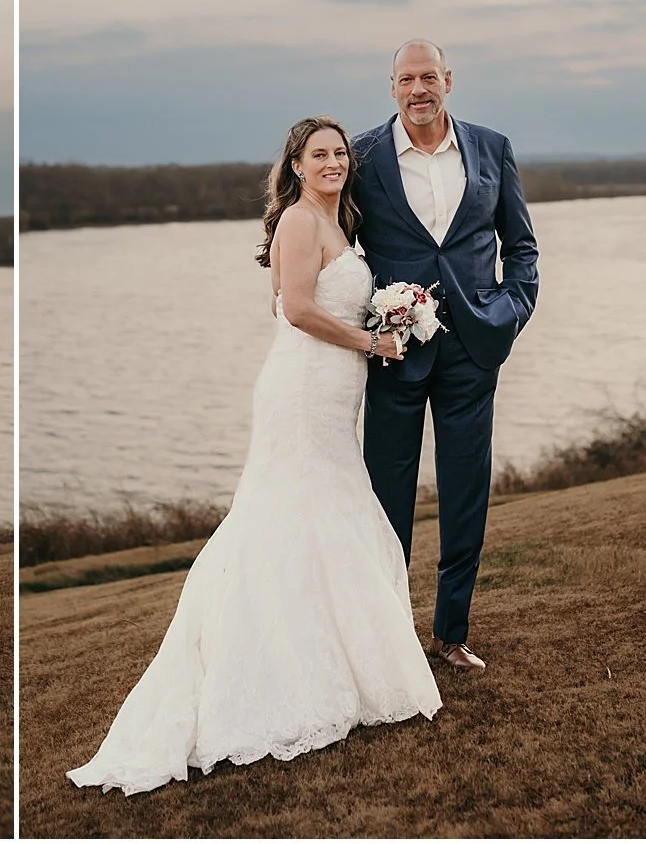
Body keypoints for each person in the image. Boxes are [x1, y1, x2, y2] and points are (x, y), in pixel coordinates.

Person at [67, 116, 442, 796]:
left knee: (322, 520)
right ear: (295, 166)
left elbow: (320, 304)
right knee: (287, 521)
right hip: (301, 394)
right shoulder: (300, 222)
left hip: (330, 397)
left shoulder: (338, 223)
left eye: (337, 153)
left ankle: (333, 663)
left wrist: (390, 315)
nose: (331, 162)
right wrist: (372, 344)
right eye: (317, 154)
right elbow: (295, 309)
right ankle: (277, 676)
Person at [347, 40, 539, 670]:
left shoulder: (492, 147)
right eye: (407, 79)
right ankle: (386, 635)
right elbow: (333, 240)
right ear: (392, 86)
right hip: (394, 352)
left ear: (448, 81)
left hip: (472, 348)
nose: (418, 88)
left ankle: (450, 633)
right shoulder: (363, 156)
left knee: (465, 494)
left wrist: (508, 312)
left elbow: (522, 248)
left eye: (428, 76)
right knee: (385, 497)